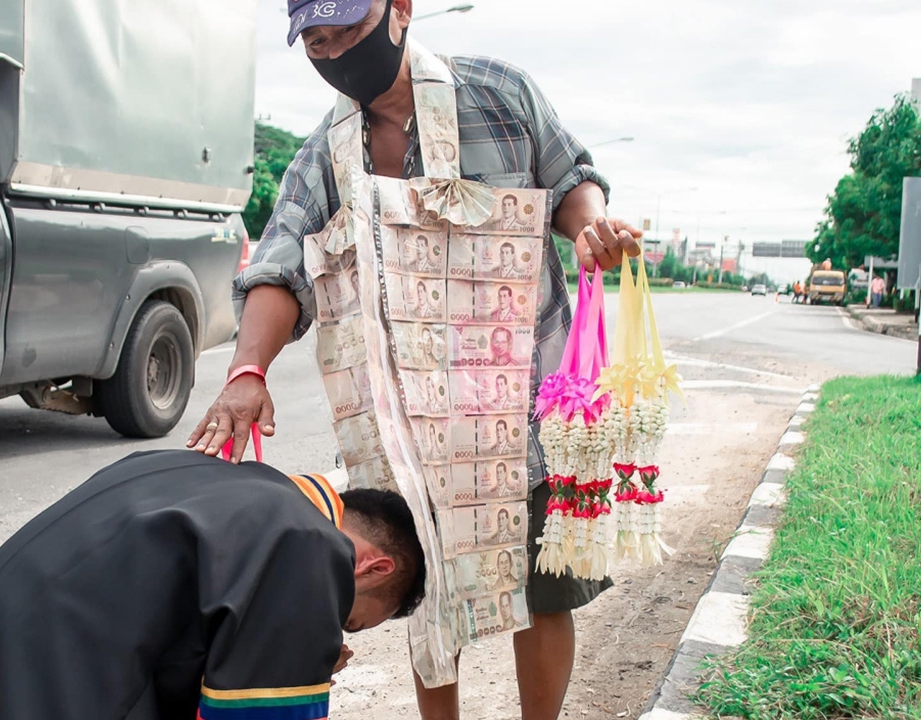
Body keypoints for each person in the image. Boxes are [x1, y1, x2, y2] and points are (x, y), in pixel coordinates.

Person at [189, 1, 638, 717]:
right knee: (427, 600)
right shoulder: (325, 155)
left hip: (523, 407)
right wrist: (248, 370)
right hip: (413, 434)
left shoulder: (500, 96)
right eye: (316, 43)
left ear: (400, 9)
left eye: (348, 34)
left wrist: (590, 230)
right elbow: (278, 268)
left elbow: (567, 179)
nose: (334, 54)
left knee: (545, 590)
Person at [0, 450, 425, 720]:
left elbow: (154, 636)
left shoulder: (195, 473)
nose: (334, 632)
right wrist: (300, 660)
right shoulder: (307, 546)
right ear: (372, 567)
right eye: (346, 619)